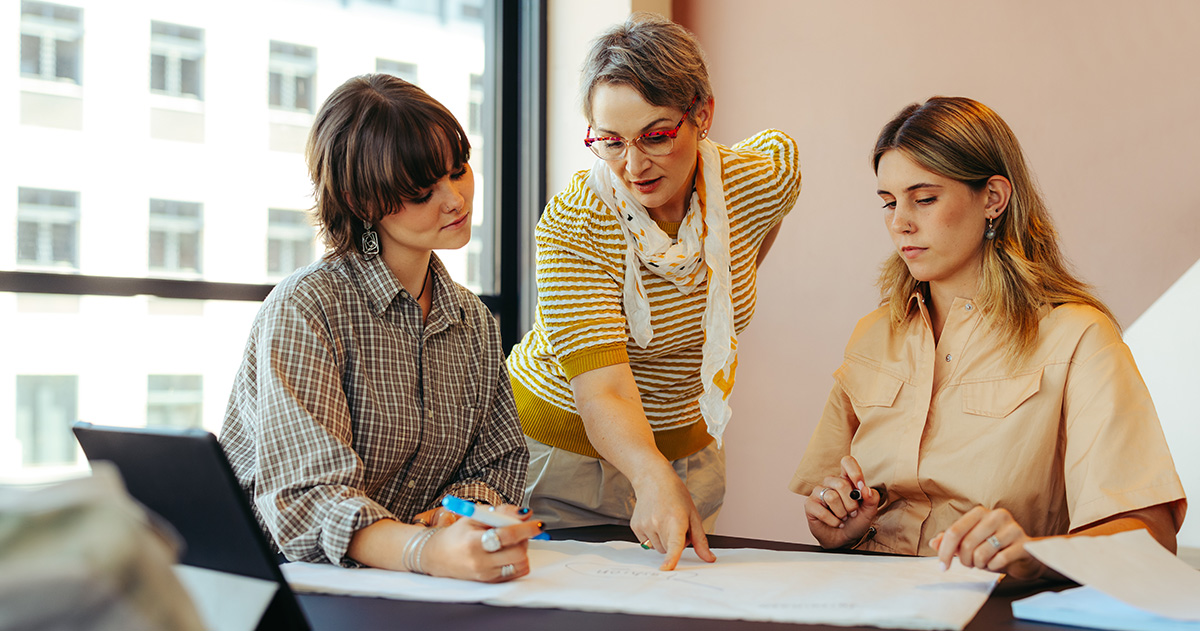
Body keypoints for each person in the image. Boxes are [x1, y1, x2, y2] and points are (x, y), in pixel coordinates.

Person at [790, 96, 1186, 579]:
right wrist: (837, 524)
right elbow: (828, 502)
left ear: (993, 198)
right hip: (866, 600)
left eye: (925, 198)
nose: (900, 223)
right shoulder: (873, 335)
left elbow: (1151, 532)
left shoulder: (1078, 338)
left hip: (995, 612)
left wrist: (1036, 556)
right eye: (889, 203)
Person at [506, 13, 801, 571]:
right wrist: (648, 473)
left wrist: (725, 279)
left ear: (703, 115)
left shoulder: (758, 179)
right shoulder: (576, 221)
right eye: (610, 142)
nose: (633, 166)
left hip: (690, 445)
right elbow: (605, 391)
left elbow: (769, 199)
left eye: (657, 136)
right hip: (563, 450)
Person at [220, 74, 540, 582]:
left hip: (407, 584)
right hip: (284, 583)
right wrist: (426, 550)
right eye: (422, 191)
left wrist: (458, 513)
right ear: (362, 200)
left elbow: (498, 461)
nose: (455, 199)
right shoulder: (308, 306)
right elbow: (308, 501)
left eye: (458, 171)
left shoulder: (472, 320)